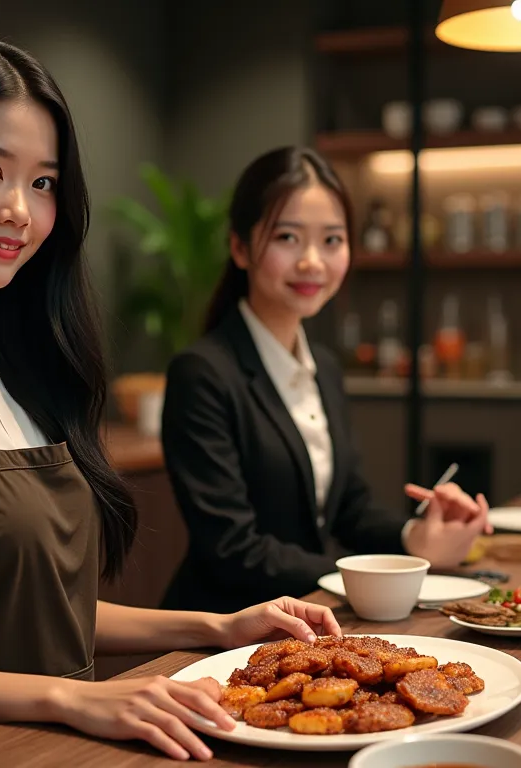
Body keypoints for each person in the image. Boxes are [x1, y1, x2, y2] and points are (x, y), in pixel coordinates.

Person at [0, 40, 342, 767]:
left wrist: (219, 626)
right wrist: (64, 697)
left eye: (43, 182)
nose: (19, 210)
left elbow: (39, 620)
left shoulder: (9, 370)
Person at [161, 146, 490, 615]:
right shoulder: (203, 373)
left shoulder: (325, 368)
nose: (313, 261)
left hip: (314, 621)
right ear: (240, 247)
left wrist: (413, 536)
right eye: (288, 238)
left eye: (332, 240)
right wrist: (380, 571)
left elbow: (350, 506)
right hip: (225, 629)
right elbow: (233, 549)